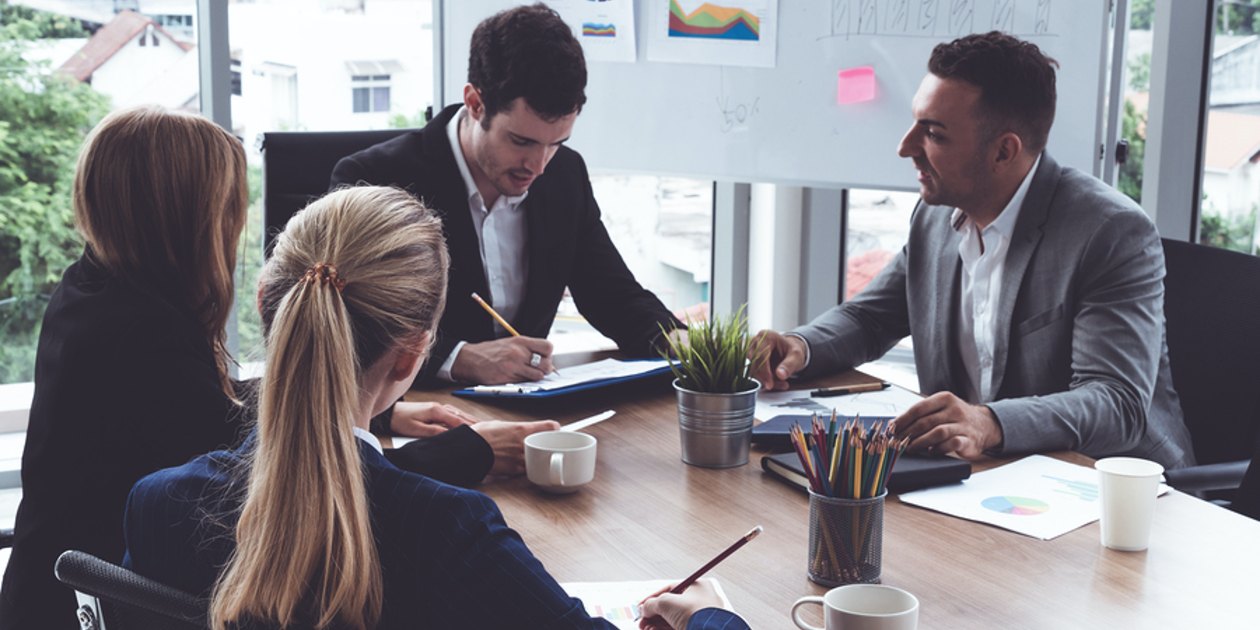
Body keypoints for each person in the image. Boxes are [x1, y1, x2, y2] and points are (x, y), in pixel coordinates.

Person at [0, 106, 542, 630]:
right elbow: (300, 473)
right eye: (229, 210)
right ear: (187, 218)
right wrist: (471, 449)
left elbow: (202, 403)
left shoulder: (93, 293)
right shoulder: (143, 337)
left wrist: (382, 414)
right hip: (59, 615)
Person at [123, 186, 747, 630]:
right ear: (413, 356)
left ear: (266, 305)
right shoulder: (448, 533)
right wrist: (709, 619)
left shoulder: (156, 505)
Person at [751, 32, 1194, 470]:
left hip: (1112, 494)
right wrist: (798, 346)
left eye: (934, 135)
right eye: (914, 124)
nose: (905, 148)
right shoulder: (936, 218)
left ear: (1004, 151)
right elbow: (870, 319)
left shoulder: (1109, 231)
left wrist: (988, 423)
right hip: (986, 478)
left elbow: (1117, 404)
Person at [330, 3, 680, 387]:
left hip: (531, 420)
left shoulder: (565, 174)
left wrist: (698, 348)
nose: (538, 165)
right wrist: (458, 358)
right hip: (415, 418)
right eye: (521, 141)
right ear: (475, 103)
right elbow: (344, 325)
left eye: (556, 143)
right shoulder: (375, 180)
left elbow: (615, 298)